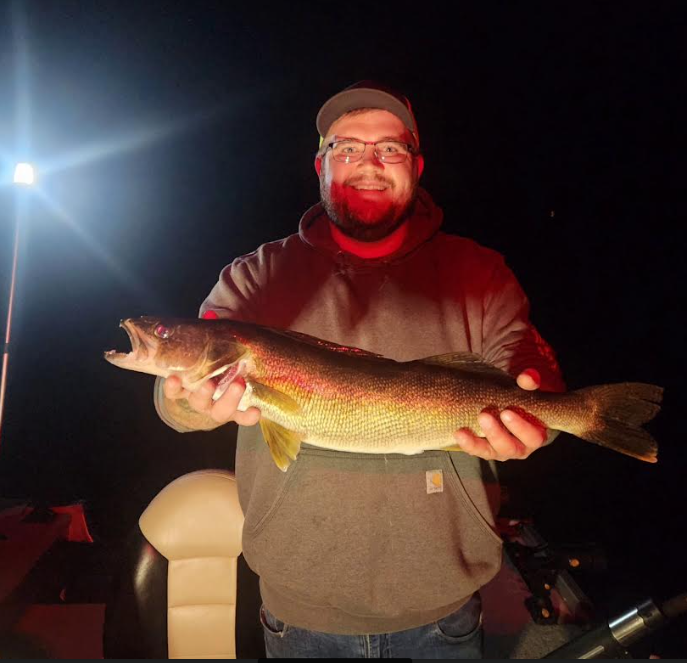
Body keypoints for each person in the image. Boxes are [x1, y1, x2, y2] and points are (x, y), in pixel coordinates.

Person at [153, 81, 565, 659]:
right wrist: (184, 402)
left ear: (416, 166)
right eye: (346, 148)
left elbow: (526, 361)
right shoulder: (253, 277)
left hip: (443, 608)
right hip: (299, 610)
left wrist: (539, 406)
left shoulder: (479, 271)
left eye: (388, 149)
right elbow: (173, 400)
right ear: (320, 165)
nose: (367, 164)